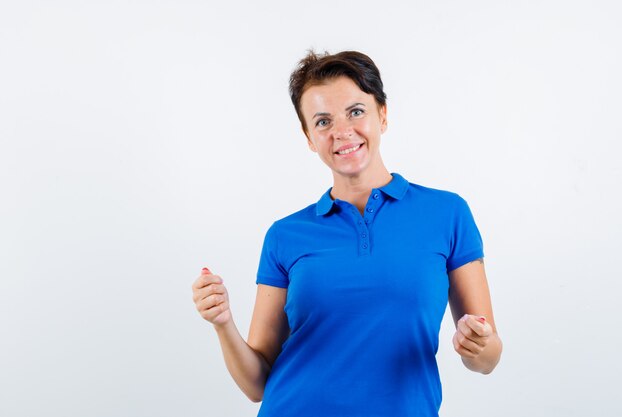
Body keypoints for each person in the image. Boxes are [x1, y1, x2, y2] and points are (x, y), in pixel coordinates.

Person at [191, 50, 503, 417]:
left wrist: (478, 346)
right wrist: (223, 323)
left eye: (356, 112)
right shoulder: (285, 235)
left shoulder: (447, 214)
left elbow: (487, 358)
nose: (341, 132)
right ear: (309, 137)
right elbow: (256, 385)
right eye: (322, 121)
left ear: (382, 115)